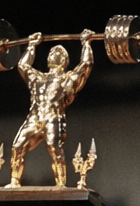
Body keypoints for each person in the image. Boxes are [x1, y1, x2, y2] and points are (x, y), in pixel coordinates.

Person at [8, 30, 94, 187]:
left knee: (55, 150)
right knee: (17, 147)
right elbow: (22, 65)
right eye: (53, 51)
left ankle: (60, 184)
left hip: (53, 118)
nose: (55, 51)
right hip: (34, 119)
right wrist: (32, 45)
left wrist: (86, 43)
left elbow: (86, 65)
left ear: (65, 61)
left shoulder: (67, 78)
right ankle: (14, 181)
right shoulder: (38, 78)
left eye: (60, 52)